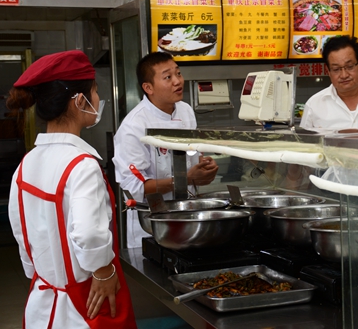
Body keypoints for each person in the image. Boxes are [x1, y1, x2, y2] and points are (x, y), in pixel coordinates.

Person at [6, 50, 136, 328]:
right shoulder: (82, 165)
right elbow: (88, 233)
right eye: (95, 92)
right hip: (85, 305)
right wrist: (103, 270)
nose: (98, 100)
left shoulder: (27, 163)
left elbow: (20, 228)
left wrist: (38, 271)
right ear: (79, 101)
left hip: (43, 300)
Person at [113, 51, 218, 248]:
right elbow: (135, 188)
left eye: (178, 73)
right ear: (148, 88)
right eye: (168, 77)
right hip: (152, 226)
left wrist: (204, 166)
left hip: (189, 216)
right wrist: (185, 179)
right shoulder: (133, 126)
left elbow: (192, 156)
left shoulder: (186, 110)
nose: (177, 81)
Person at [300, 35, 358, 130]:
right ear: (328, 71)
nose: (344, 75)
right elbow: (304, 139)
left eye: (350, 67)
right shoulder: (314, 105)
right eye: (336, 69)